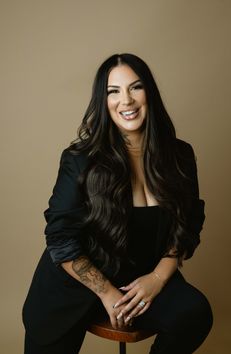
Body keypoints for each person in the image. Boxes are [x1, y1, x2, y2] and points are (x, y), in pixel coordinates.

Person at [22, 53, 213, 354]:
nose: (126, 100)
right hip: (74, 287)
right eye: (114, 91)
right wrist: (107, 293)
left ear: (149, 92)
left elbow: (187, 223)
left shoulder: (180, 156)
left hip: (140, 281)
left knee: (195, 313)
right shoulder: (79, 160)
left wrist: (158, 278)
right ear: (103, 100)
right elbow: (60, 239)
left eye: (135, 88)